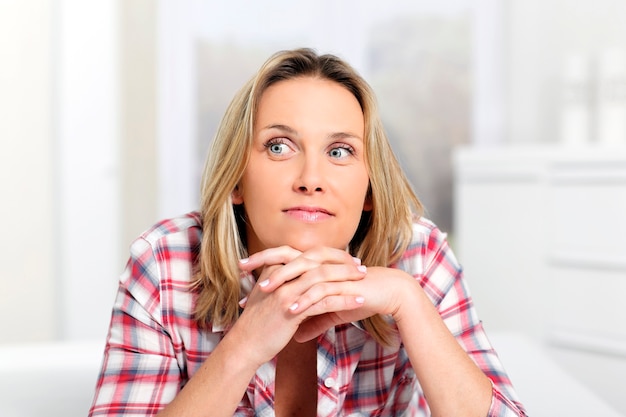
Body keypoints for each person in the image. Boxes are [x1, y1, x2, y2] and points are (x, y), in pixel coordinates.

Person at [89, 48, 526, 417]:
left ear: (370, 190)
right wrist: (243, 347)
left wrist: (407, 300)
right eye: (279, 146)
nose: (311, 179)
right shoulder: (165, 262)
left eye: (340, 151)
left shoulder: (416, 257)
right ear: (236, 179)